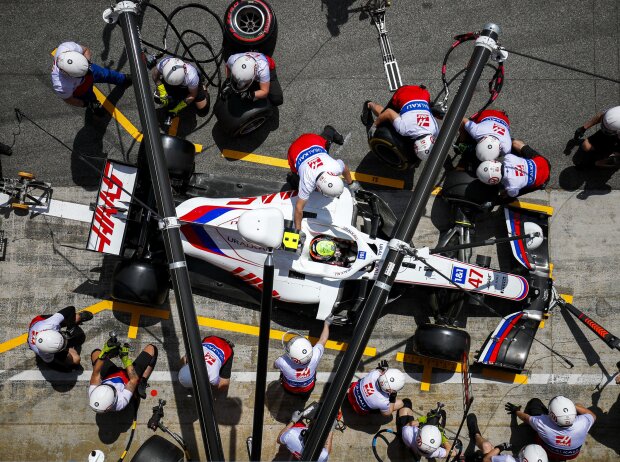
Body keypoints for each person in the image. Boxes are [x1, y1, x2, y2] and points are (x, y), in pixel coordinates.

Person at [287, 128, 358, 230]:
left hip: (312, 140)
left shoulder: (335, 167)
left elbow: (344, 168)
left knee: (325, 143)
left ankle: (330, 131)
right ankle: (291, 178)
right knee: (295, 179)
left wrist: (351, 183)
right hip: (296, 150)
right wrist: (297, 231)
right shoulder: (306, 183)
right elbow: (298, 209)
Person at [362, 84, 439, 162]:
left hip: (423, 93)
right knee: (384, 118)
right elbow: (388, 113)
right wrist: (375, 125)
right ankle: (369, 104)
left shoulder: (435, 130)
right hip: (404, 93)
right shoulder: (404, 128)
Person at [505, 396, 596, 460]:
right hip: (571, 455)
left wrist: (516, 411)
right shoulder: (583, 423)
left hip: (547, 451)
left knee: (535, 402)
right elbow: (592, 416)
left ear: (552, 415)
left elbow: (525, 418)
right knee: (579, 405)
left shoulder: (543, 424)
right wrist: (574, 406)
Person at [51, 41, 131, 111]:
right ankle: (95, 107)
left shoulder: (66, 47)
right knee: (91, 100)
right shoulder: (61, 85)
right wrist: (84, 104)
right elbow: (69, 99)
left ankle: (125, 79)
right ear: (68, 75)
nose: (87, 73)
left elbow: (85, 50)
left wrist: (87, 63)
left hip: (88, 68)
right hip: (80, 88)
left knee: (108, 75)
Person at [89, 339, 157, 413]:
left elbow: (96, 372)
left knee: (95, 353)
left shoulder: (94, 394)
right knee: (152, 348)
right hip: (127, 379)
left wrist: (104, 354)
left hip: (110, 375)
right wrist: (125, 359)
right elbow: (133, 380)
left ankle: (112, 354)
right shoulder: (120, 403)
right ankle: (143, 380)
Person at [476, 139, 551, 198]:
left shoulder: (512, 187)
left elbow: (512, 194)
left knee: (505, 197)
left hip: (543, 178)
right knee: (515, 143)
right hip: (542, 162)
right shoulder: (508, 157)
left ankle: (542, 185)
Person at [274, 319, 331, 395]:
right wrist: (327, 324)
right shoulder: (315, 355)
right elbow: (323, 339)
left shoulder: (282, 362)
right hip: (307, 388)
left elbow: (275, 366)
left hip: (290, 388)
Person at [28, 305, 93, 370]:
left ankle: (79, 316)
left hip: (41, 321)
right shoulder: (44, 354)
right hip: (38, 329)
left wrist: (70, 328)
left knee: (75, 318)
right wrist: (64, 368)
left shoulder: (51, 324)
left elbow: (70, 309)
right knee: (76, 360)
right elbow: (51, 364)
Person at [467, 413, 548, 462]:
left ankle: (475, 434)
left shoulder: (508, 459)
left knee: (486, 446)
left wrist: (501, 447)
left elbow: (486, 460)